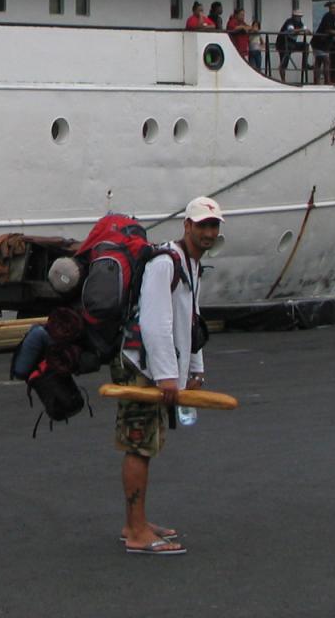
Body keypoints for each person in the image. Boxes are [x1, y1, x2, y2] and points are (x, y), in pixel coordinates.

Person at [115, 196, 221, 556]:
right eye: (202, 224)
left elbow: (190, 321)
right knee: (138, 444)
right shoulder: (165, 263)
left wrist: (195, 369)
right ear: (186, 226)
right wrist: (165, 376)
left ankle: (136, 521)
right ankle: (135, 531)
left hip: (158, 368)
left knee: (147, 444)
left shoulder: (190, 265)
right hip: (140, 366)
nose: (208, 232)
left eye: (213, 225)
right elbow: (155, 321)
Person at [313, 1, 335, 84]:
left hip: (326, 43)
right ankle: (326, 81)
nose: (331, 9)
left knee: (319, 62)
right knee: (325, 61)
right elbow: (328, 29)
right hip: (319, 42)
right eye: (330, 8)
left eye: (333, 8)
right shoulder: (327, 16)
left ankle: (318, 81)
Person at [276, 9, 309, 83]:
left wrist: (307, 31)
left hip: (292, 43)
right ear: (294, 16)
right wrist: (302, 30)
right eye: (297, 17)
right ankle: (283, 80)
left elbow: (305, 29)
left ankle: (305, 63)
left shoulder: (300, 23)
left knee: (306, 46)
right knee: (284, 63)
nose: (299, 18)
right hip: (283, 44)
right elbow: (291, 30)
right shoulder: (289, 22)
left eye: (300, 17)